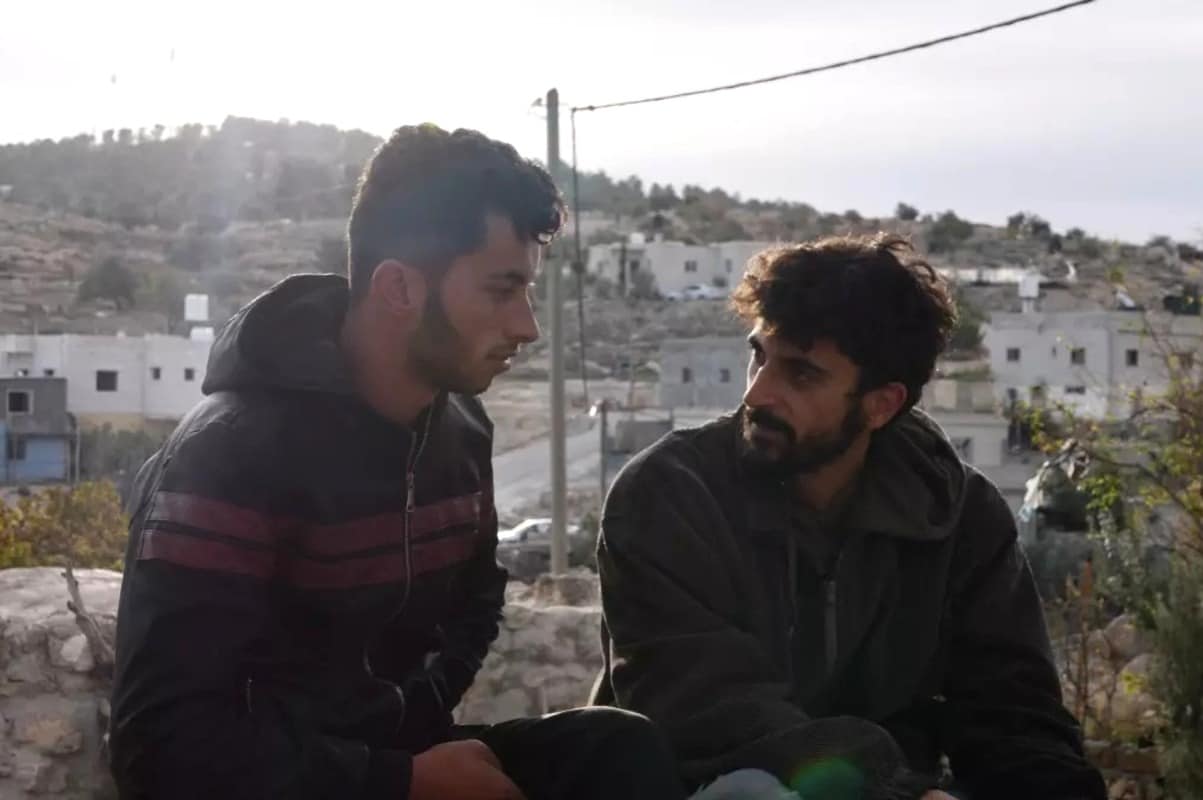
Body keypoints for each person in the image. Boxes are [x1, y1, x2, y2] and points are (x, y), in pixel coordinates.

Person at [110, 124, 684, 800]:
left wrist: (420, 717)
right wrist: (399, 780)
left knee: (615, 749)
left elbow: (477, 597)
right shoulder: (231, 455)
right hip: (301, 783)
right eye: (502, 291)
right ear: (399, 289)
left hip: (398, 761)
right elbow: (159, 748)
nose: (527, 325)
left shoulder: (459, 428)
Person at [591, 234, 1106, 800]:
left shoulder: (957, 515)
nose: (759, 394)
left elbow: (1016, 713)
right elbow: (711, 713)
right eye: (758, 356)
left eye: (802, 374)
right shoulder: (670, 494)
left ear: (881, 404)